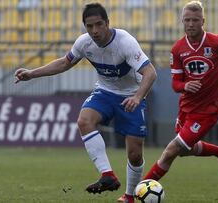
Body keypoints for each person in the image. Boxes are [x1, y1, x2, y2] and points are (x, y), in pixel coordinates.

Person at [14, 3, 157, 203]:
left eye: (99, 25)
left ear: (107, 23)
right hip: (105, 92)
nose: (95, 31)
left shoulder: (125, 42)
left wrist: (138, 97)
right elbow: (65, 62)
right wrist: (32, 73)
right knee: (84, 121)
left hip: (132, 94)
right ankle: (108, 175)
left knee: (134, 154)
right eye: (89, 26)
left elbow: (150, 72)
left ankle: (130, 196)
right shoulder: (84, 43)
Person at [143, 1, 218, 182]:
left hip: (207, 111)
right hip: (186, 108)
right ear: (182, 21)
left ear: (203, 21)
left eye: (195, 20)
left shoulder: (217, 42)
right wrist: (185, 86)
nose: (191, 24)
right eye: (187, 20)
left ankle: (136, 193)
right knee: (184, 151)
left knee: (170, 151)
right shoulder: (177, 49)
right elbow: (175, 84)